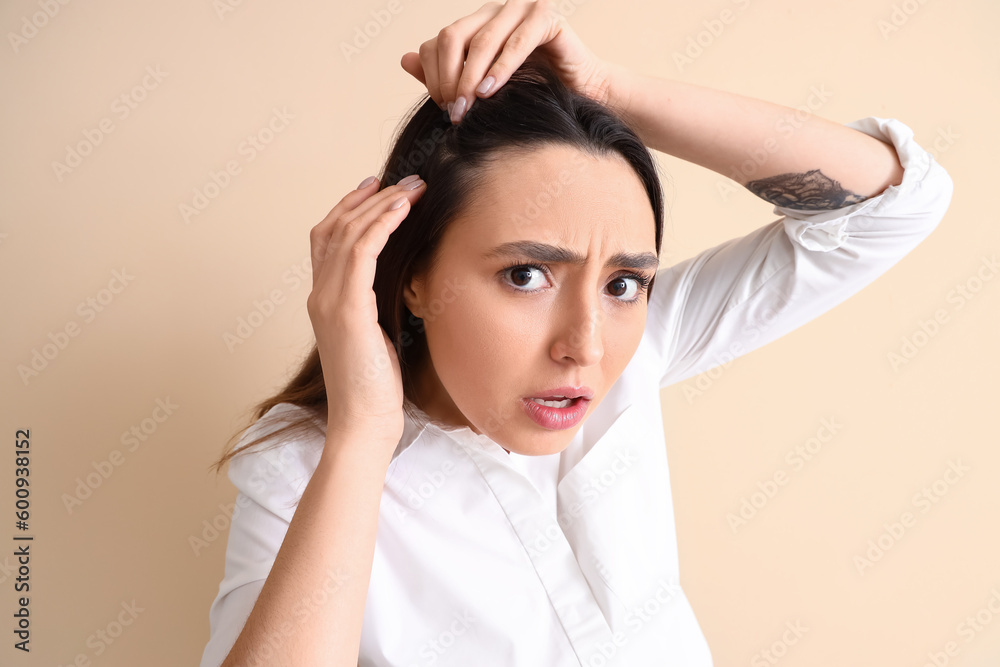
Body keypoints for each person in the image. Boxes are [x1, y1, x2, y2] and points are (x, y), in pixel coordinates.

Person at [199, 2, 954, 665]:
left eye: (624, 283)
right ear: (412, 274)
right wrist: (364, 433)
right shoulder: (301, 465)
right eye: (527, 274)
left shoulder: (635, 354)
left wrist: (609, 94)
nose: (587, 346)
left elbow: (893, 205)